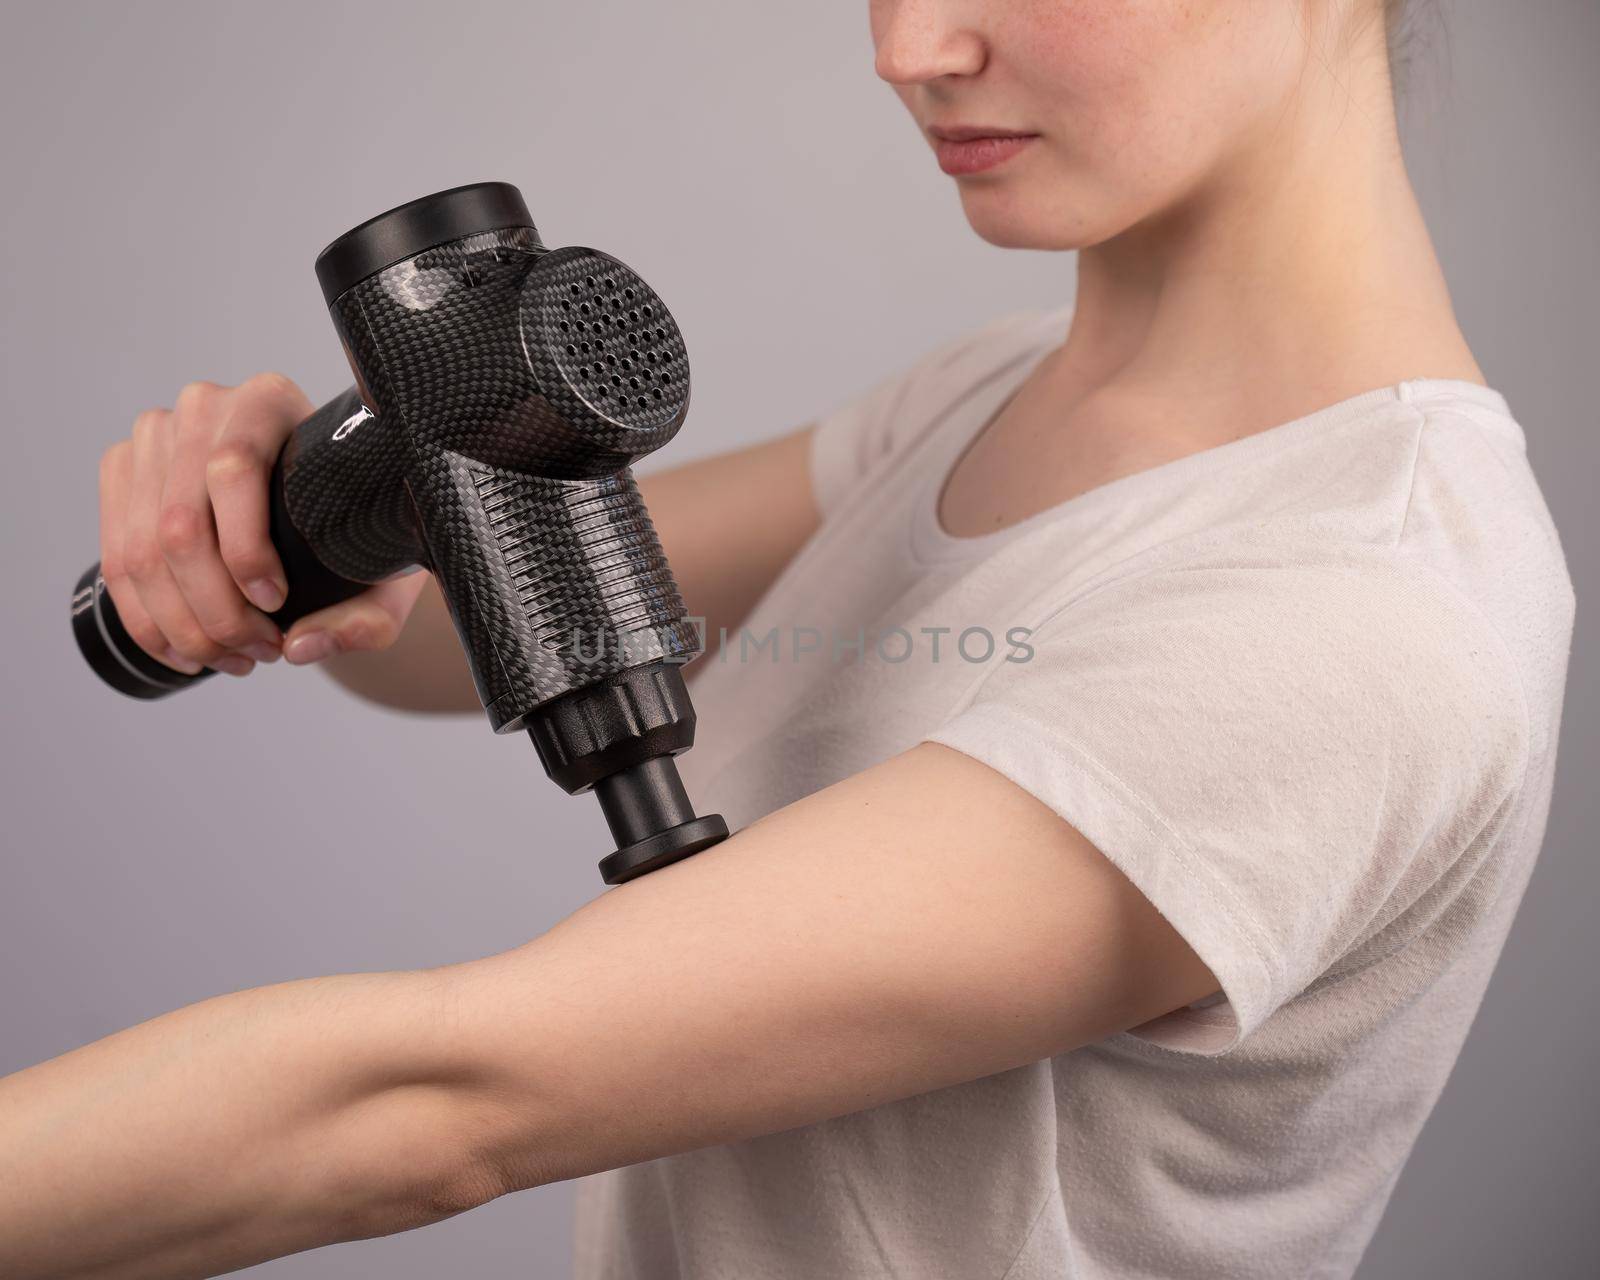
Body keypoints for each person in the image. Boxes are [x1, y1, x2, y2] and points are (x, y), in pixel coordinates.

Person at [0, 0, 1576, 1276]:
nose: (910, 46)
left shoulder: (1362, 606)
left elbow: (437, 1106)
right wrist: (332, 528)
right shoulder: (980, 396)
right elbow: (439, 637)